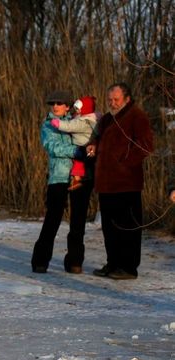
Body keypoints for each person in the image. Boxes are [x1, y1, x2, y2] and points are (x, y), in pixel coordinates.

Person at [86, 82, 154, 280]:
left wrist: (124, 163)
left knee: (128, 227)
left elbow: (146, 145)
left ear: (127, 99)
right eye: (109, 100)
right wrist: (93, 145)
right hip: (106, 183)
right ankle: (113, 263)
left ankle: (128, 267)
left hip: (126, 183)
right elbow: (98, 138)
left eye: (116, 100)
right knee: (110, 227)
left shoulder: (137, 116)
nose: (112, 103)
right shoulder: (107, 119)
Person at [31, 90, 94, 274]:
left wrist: (90, 150)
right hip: (58, 177)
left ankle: (75, 261)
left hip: (79, 176)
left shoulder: (77, 121)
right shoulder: (49, 125)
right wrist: (77, 151)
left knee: (78, 220)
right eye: (53, 103)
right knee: (53, 219)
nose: (56, 106)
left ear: (67, 106)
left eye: (59, 103)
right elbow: (52, 147)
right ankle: (40, 261)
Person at [50, 96, 100, 191]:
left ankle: (77, 180)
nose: (76, 111)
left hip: (82, 145)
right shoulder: (89, 118)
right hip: (85, 145)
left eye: (78, 109)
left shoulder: (85, 122)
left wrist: (58, 123)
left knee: (78, 163)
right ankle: (79, 180)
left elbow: (70, 126)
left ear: (84, 109)